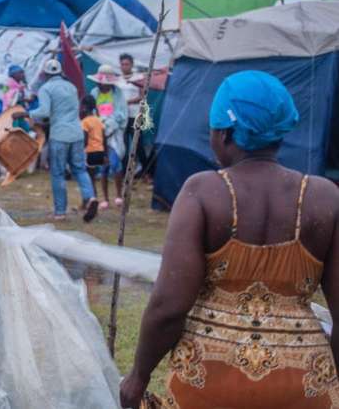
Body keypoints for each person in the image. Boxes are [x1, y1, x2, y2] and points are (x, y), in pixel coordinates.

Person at [120, 70, 339, 409]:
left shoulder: (202, 192)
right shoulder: (325, 197)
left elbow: (168, 308)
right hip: (303, 385)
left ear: (223, 133)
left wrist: (139, 376)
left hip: (207, 381)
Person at [29, 59, 97, 222]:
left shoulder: (46, 88)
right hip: (77, 133)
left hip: (59, 134)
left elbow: (44, 112)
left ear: (45, 74)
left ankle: (60, 211)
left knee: (58, 173)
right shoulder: (71, 87)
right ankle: (90, 197)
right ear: (60, 72)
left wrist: (28, 113)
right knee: (80, 169)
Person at [89, 64, 127, 210]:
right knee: (103, 165)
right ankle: (104, 198)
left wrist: (110, 124)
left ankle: (119, 195)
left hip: (114, 134)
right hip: (99, 133)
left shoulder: (118, 94)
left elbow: (121, 113)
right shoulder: (94, 93)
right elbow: (92, 111)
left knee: (116, 163)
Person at [119, 53, 150, 181]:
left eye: (127, 64)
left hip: (135, 115)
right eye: (122, 64)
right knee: (123, 145)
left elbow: (143, 96)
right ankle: (124, 172)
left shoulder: (138, 78)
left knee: (138, 145)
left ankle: (146, 172)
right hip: (122, 116)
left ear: (131, 65)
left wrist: (128, 102)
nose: (124, 66)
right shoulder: (118, 79)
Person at [80, 95, 107, 190]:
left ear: (84, 107)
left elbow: (85, 141)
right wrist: (105, 154)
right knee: (100, 177)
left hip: (90, 153)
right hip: (100, 152)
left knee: (90, 179)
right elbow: (104, 138)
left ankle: (92, 198)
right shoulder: (99, 120)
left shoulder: (84, 122)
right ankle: (102, 198)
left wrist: (80, 152)